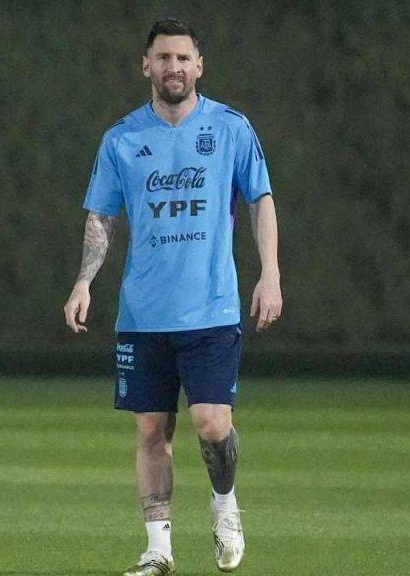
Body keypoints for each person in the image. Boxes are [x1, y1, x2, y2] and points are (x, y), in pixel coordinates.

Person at [62, 18, 281, 576]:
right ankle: (158, 549)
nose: (173, 68)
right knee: (151, 430)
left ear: (199, 65)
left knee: (211, 421)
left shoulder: (231, 128)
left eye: (183, 58)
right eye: (163, 58)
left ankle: (225, 503)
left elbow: (260, 199)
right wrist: (85, 280)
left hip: (211, 306)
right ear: (146, 66)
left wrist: (270, 273)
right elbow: (101, 217)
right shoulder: (122, 139)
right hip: (143, 313)